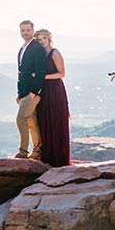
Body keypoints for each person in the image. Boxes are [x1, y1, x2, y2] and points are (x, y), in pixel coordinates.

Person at [34, 29, 71, 167]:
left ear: (49, 38)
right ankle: (47, 157)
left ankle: (59, 159)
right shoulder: (40, 55)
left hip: (55, 90)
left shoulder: (54, 53)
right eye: (39, 39)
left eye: (44, 38)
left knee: (56, 121)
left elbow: (62, 73)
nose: (42, 41)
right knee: (44, 121)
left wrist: (43, 77)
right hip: (44, 91)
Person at [15, 20, 47, 160]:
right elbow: (22, 72)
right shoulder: (23, 48)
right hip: (24, 92)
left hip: (32, 92)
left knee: (20, 119)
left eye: (28, 30)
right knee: (31, 121)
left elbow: (41, 72)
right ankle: (37, 151)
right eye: (23, 30)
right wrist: (19, 93)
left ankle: (23, 152)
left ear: (33, 31)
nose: (25, 32)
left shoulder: (37, 48)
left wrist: (34, 92)